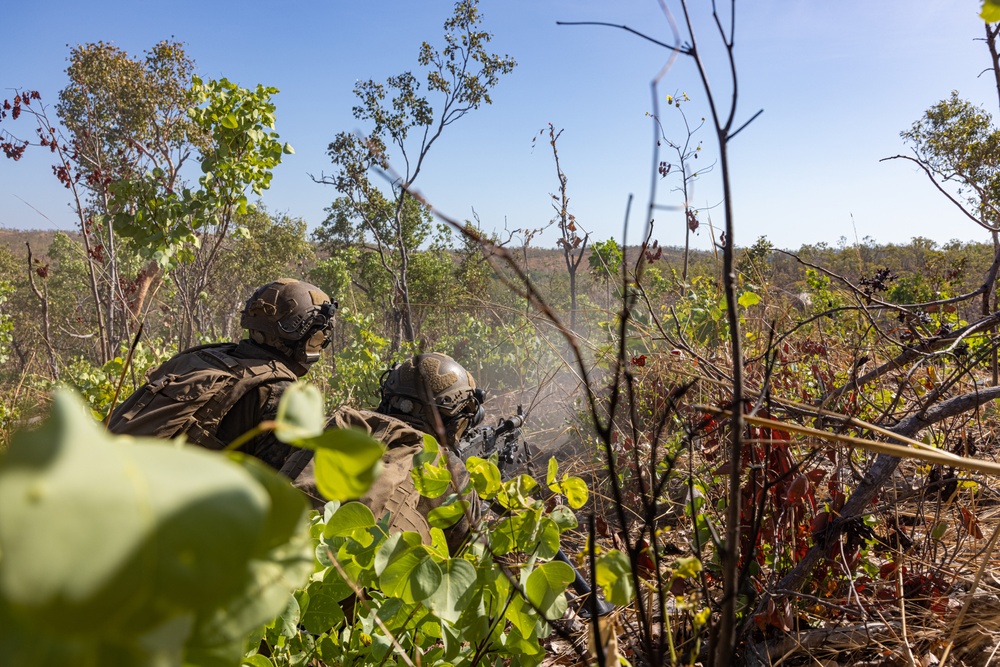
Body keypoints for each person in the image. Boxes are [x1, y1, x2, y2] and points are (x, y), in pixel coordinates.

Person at [109, 278, 337, 469]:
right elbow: (284, 483)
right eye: (317, 340)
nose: (317, 347)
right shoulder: (281, 392)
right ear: (301, 336)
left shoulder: (204, 355)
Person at [289, 353, 484, 551]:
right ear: (455, 420)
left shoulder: (333, 426)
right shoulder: (447, 468)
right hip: (367, 578)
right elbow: (467, 548)